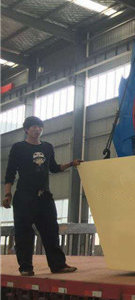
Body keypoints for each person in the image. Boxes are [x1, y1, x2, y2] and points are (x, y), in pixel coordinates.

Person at [2, 116, 82, 276]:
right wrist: (7, 194)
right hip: (24, 196)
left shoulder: (47, 147)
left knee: (51, 230)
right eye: (33, 127)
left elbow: (53, 167)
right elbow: (10, 172)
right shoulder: (18, 148)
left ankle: (58, 265)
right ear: (26, 129)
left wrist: (71, 164)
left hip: (44, 196)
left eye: (39, 127)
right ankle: (26, 267)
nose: (37, 129)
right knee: (24, 233)